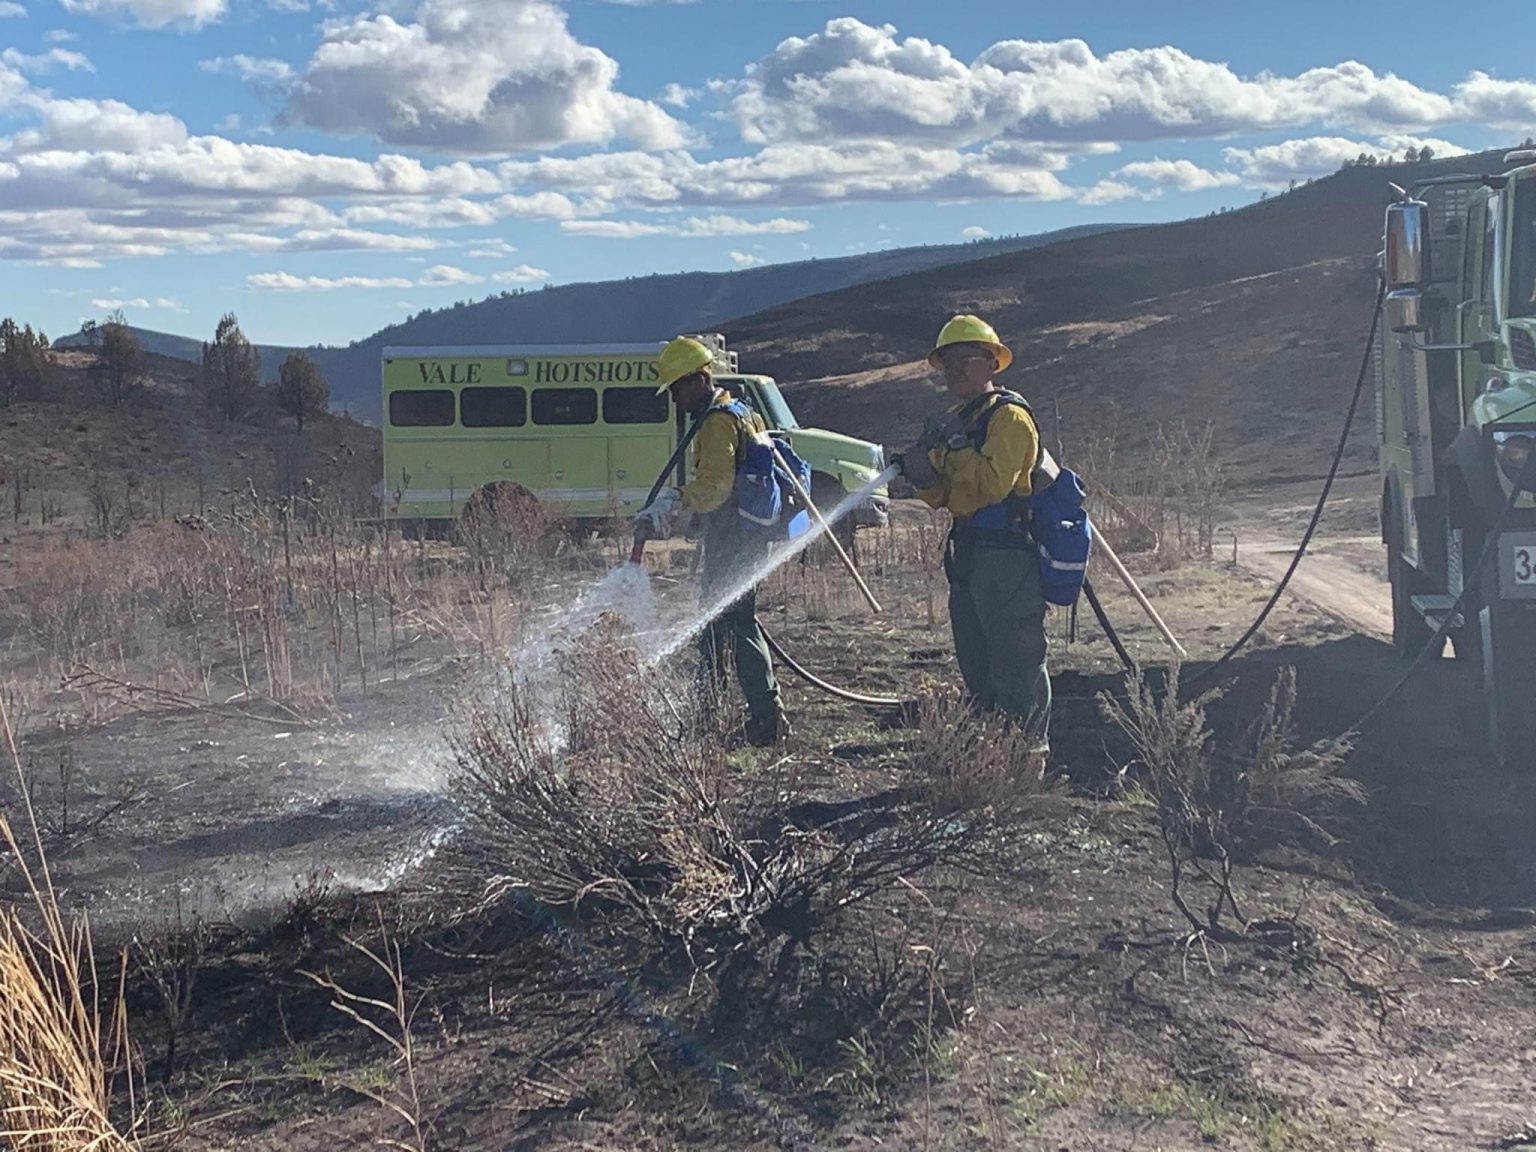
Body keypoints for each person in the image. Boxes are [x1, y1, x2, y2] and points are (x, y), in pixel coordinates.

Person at [893, 314, 1051, 764]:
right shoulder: (957, 420)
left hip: (1007, 556)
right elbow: (948, 496)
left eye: (967, 360)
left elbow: (990, 485)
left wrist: (957, 449)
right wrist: (922, 475)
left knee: (1015, 657)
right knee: (977, 658)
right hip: (969, 554)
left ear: (991, 363)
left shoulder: (1010, 419)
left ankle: (1027, 758)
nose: (955, 371)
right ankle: (993, 752)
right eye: (948, 363)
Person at [634, 336, 789, 747]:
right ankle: (712, 714)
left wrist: (676, 500)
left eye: (677, 388)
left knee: (733, 625)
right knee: (722, 625)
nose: (674, 399)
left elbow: (716, 487)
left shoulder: (719, 420)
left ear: (699, 380)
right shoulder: (737, 412)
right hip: (740, 535)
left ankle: (765, 720)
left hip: (736, 539)